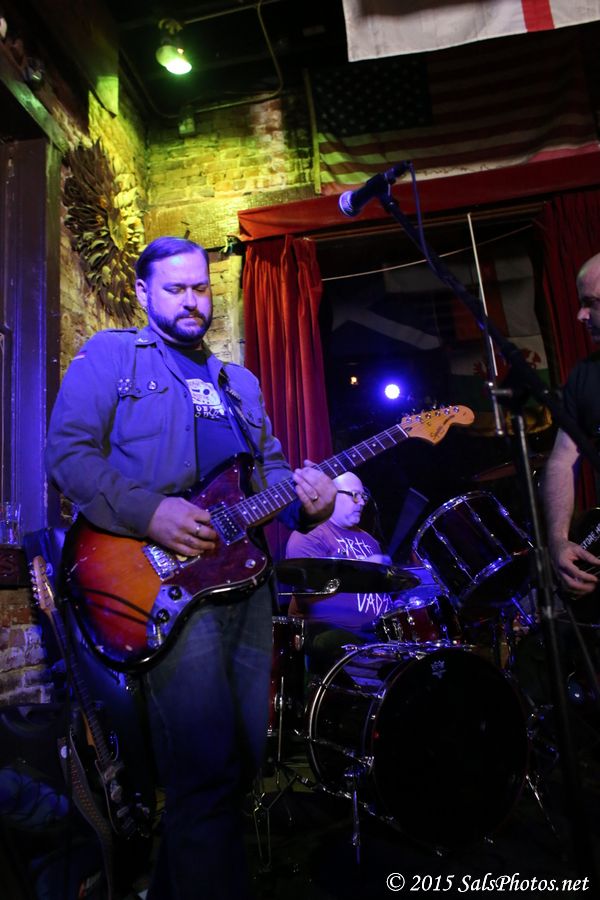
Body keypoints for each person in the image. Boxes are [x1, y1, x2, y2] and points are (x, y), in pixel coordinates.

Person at [45, 236, 336, 900]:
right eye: (174, 288)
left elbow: (272, 474)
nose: (191, 300)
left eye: (199, 287)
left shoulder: (240, 382)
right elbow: (68, 454)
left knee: (240, 766)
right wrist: (151, 513)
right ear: (144, 293)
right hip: (167, 585)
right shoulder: (113, 356)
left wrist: (310, 503)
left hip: (248, 585)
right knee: (203, 769)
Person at [284, 471, 396, 673]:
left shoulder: (370, 541)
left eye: (363, 496)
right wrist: (360, 570)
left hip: (378, 633)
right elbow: (307, 592)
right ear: (331, 495)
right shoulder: (309, 535)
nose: (362, 502)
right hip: (333, 634)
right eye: (354, 495)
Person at [543, 252, 600, 596]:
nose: (580, 314)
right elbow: (563, 459)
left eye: (590, 303)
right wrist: (558, 540)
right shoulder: (583, 377)